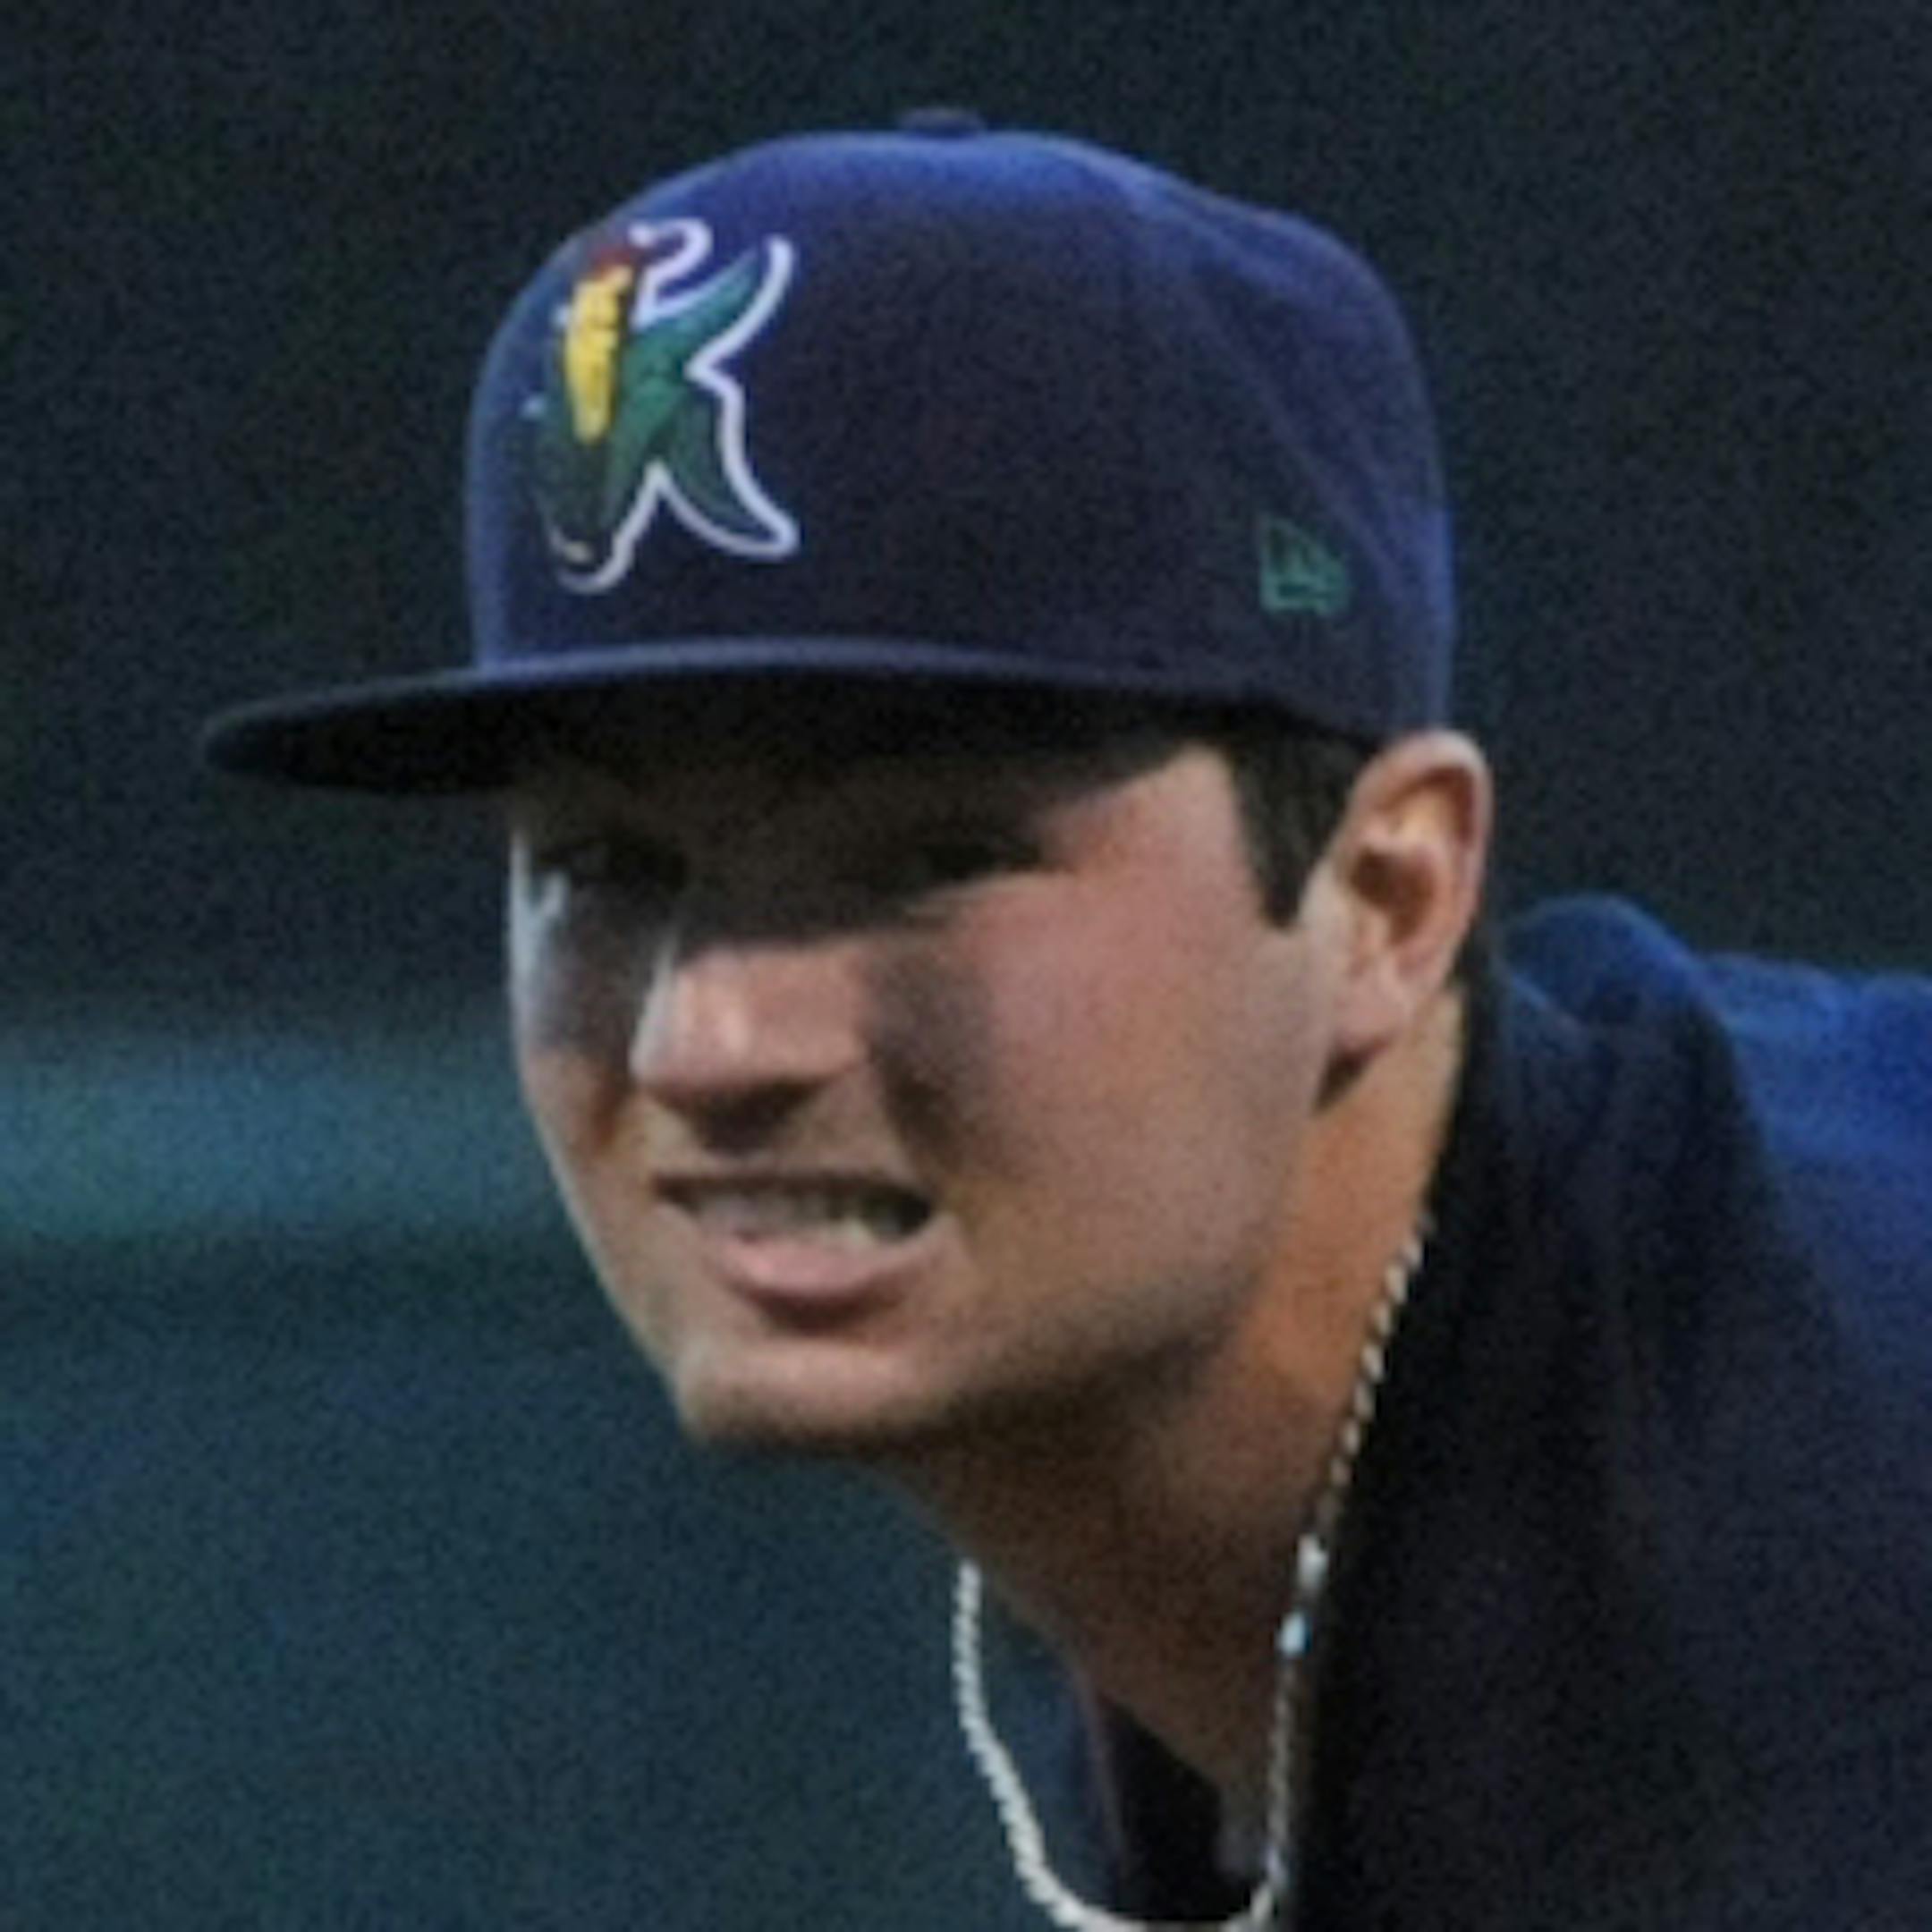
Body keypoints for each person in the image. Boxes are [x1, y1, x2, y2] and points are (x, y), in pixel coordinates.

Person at [202, 115, 1932, 1928]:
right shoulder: (1325, 1424)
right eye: (607, 867)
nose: (708, 1043)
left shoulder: (1804, 1675)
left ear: (1388, 898)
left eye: (930, 857)